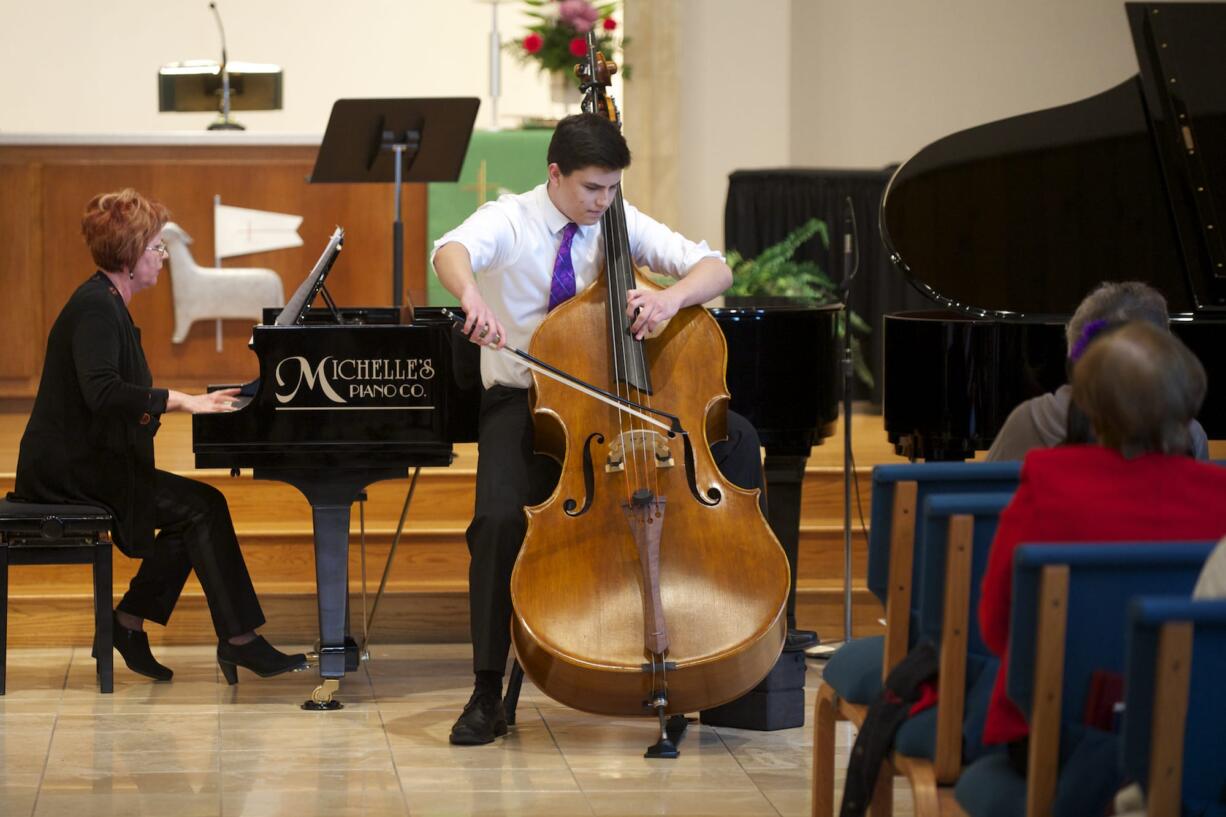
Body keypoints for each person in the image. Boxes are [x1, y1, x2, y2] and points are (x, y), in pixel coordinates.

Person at [432, 113, 771, 745]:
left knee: (741, 439)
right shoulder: (512, 220)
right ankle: (485, 688)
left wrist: (670, 299)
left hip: (618, 404)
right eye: (592, 189)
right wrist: (472, 298)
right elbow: (451, 251)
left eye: (612, 189)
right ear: (555, 175)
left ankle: (723, 636)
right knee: (499, 518)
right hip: (526, 404)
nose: (604, 203)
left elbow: (714, 268)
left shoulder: (617, 219)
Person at [10, 188, 306, 684]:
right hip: (67, 473)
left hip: (88, 463)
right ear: (130, 256)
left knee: (196, 509)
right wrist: (187, 401)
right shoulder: (95, 309)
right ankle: (237, 642)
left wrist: (191, 399)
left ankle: (130, 624)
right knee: (202, 507)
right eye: (156, 247)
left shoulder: (107, 304)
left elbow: (121, 395)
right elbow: (103, 392)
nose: (163, 257)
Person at [977, 320, 1226, 765]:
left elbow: (996, 624)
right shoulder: (1219, 494)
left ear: (1089, 406)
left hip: (1056, 739)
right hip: (1197, 737)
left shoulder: (1048, 481)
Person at [985, 281, 1210, 461]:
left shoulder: (1030, 418)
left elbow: (988, 497)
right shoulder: (1188, 434)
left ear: (1075, 351)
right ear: (1162, 357)